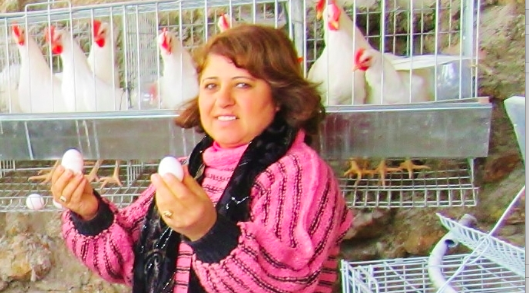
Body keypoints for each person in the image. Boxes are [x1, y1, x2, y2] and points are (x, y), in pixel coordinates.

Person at [50, 24, 353, 293]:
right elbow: (128, 261)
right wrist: (90, 214)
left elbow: (286, 282)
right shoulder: (193, 169)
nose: (223, 99)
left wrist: (207, 231)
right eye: (211, 85)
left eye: (242, 84)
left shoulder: (299, 174)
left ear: (279, 97)